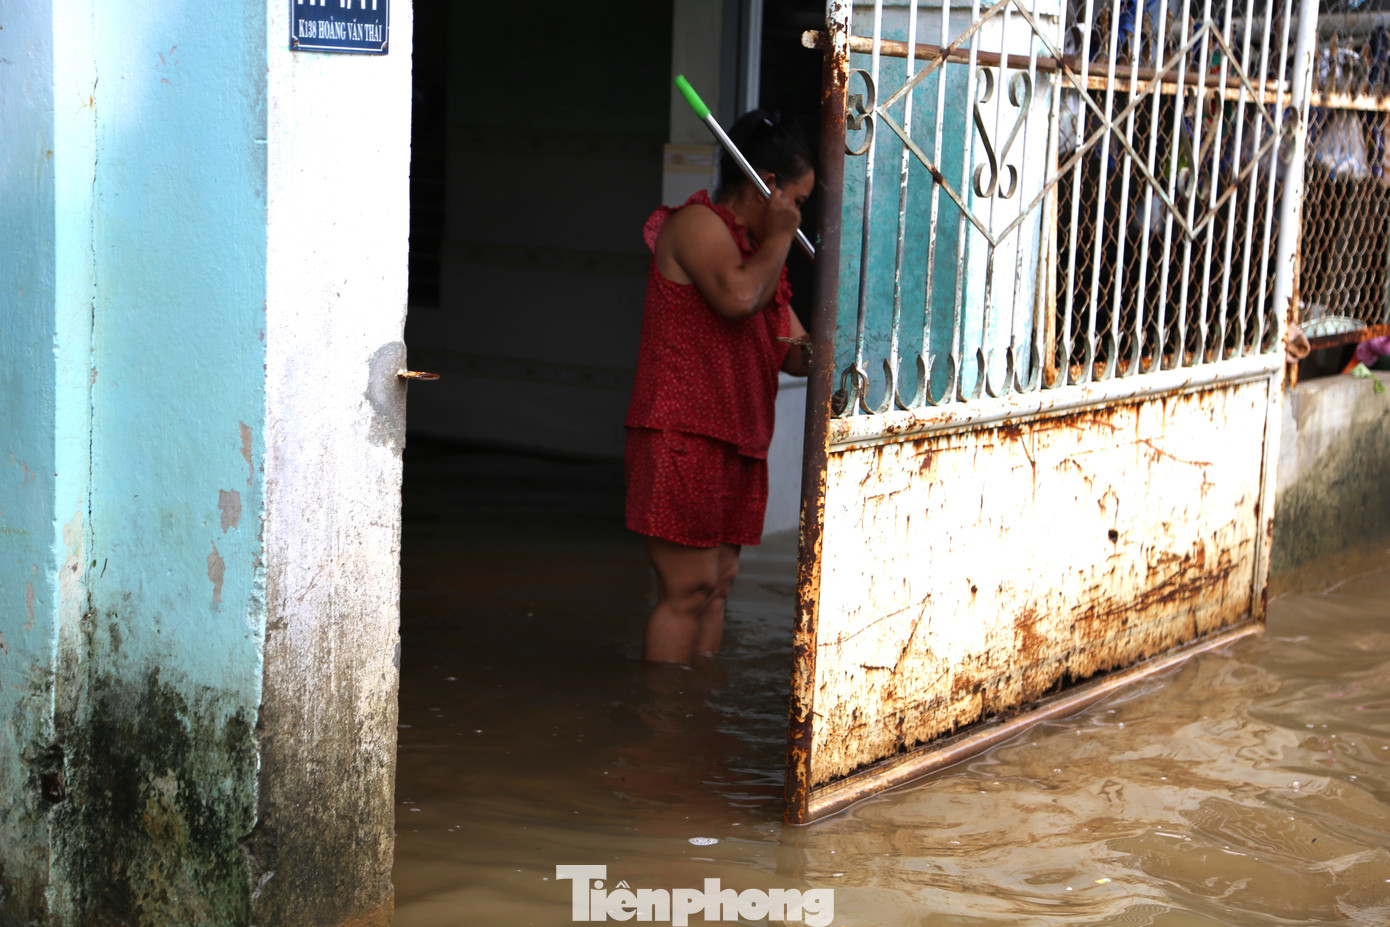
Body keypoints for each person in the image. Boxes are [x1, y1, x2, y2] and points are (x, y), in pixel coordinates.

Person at [625, 110, 815, 665]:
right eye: (797, 202)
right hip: (682, 433)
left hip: (735, 440)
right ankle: (662, 729)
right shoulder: (698, 226)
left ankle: (695, 716)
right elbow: (737, 298)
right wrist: (780, 237)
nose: (799, 217)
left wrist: (844, 335)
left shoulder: (760, 257)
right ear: (768, 187)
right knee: (688, 589)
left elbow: (794, 353)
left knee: (718, 584)